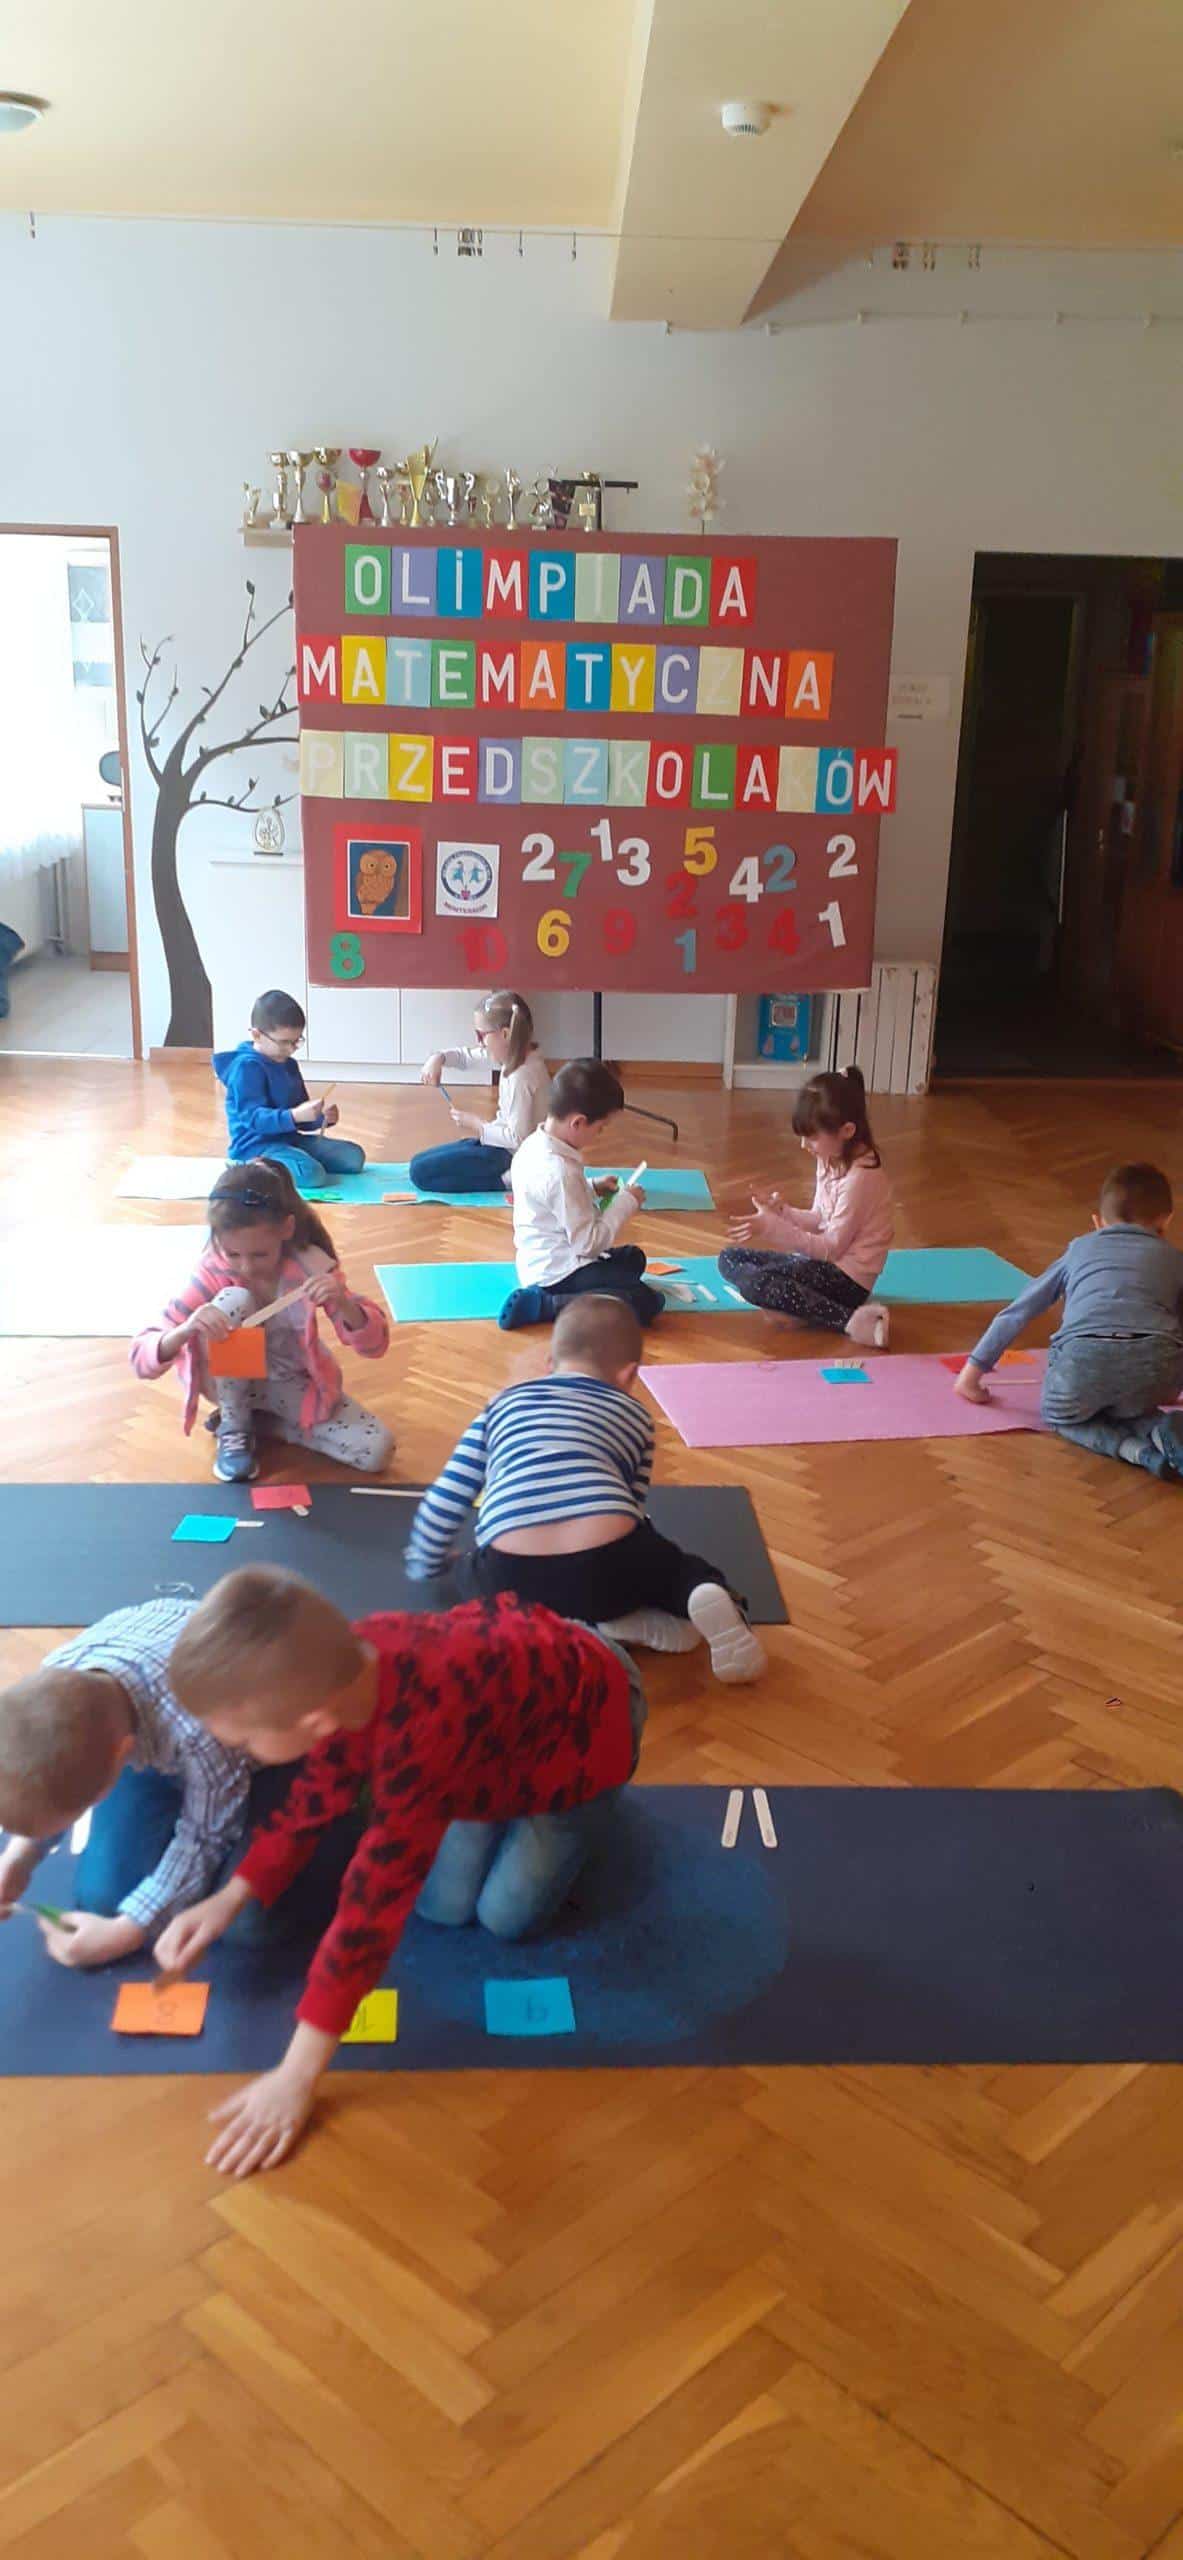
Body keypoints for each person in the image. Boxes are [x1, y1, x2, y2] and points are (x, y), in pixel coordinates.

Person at [154, 1567, 647, 2177]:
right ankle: (496, 1784)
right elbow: (312, 1801)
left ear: (314, 1722)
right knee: (445, 1907)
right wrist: (233, 1894)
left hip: (588, 1720)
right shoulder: (341, 1670)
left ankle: (584, 1806)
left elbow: (369, 1914)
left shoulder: (419, 1739)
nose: (241, 1752)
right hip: (493, 1717)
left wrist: (296, 2075)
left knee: (505, 1917)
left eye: (246, 1742)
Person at [405, 1293, 766, 1681]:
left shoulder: (501, 1405)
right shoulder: (636, 1416)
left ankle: (579, 1624)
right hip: (605, 1568)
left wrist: (428, 1560)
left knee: (468, 1572)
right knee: (677, 1570)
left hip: (511, 1580)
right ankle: (689, 1606)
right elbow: (634, 1503)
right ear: (629, 1375)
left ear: (549, 1363)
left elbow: (448, 1494)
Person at [0, 1597, 307, 1971]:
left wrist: (128, 1931)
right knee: (102, 1900)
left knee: (251, 1924)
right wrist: (19, 1856)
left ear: (121, 1755)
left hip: (251, 1751)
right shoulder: (57, 1680)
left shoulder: (201, 1730)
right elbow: (42, 1772)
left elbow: (205, 1836)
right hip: (152, 1723)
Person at [130, 1159, 393, 1484]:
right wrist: (187, 1329)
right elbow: (141, 1357)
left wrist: (344, 1303)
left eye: (259, 1254)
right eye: (233, 1254)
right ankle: (235, 1425)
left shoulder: (312, 1267)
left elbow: (375, 1347)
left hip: (289, 1384)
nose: (246, 1268)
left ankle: (266, 1425)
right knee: (234, 1300)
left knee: (376, 1450)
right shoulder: (211, 1270)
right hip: (228, 1387)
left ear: (286, 1229)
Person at [955, 1161, 1183, 1478]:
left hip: (1082, 1367)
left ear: (1097, 1222)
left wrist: (971, 1374)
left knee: (1060, 1416)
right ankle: (1159, 1428)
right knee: (1129, 1400)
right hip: (1153, 1374)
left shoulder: (1079, 1249)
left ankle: (1136, 1452)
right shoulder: (1175, 1260)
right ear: (1167, 1220)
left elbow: (1021, 1310)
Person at [719, 1064, 895, 1349]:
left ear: (847, 1130)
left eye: (812, 1137)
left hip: (847, 1281)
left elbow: (830, 1249)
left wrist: (775, 1229)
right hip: (821, 1266)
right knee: (729, 1257)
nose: (804, 1145)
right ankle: (802, 1309)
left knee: (755, 1283)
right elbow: (819, 1218)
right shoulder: (830, 1157)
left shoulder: (861, 1178)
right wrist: (782, 1212)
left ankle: (850, 1321)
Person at [499, 1058, 664, 1330]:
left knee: (634, 1258)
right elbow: (588, 1244)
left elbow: (551, 1199)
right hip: (557, 1274)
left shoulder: (533, 1146)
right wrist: (625, 1203)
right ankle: (545, 1304)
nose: (600, 1135)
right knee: (646, 1302)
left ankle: (573, 1293)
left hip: (542, 1259)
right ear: (578, 1122)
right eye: (600, 1128)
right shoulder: (560, 1171)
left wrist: (591, 1187)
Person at [213, 989, 365, 1196]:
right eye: (285, 1042)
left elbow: (300, 1115)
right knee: (311, 1175)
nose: (292, 1048)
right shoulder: (246, 1068)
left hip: (289, 1140)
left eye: (297, 1041)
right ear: (256, 1034)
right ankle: (249, 1167)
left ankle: (293, 1159)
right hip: (255, 1147)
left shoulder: (289, 1064)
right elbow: (254, 1119)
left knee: (354, 1158)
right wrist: (294, 1116)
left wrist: (321, 1117)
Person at [411, 990, 550, 1194]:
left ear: (505, 1034)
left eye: (481, 1035)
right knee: (418, 1163)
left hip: (510, 1156)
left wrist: (476, 1125)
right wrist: (438, 1058)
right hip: (497, 1143)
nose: (479, 1042)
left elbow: (517, 1138)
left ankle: (506, 1181)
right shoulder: (514, 1056)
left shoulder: (522, 1076)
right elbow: (466, 1057)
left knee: (420, 1173)